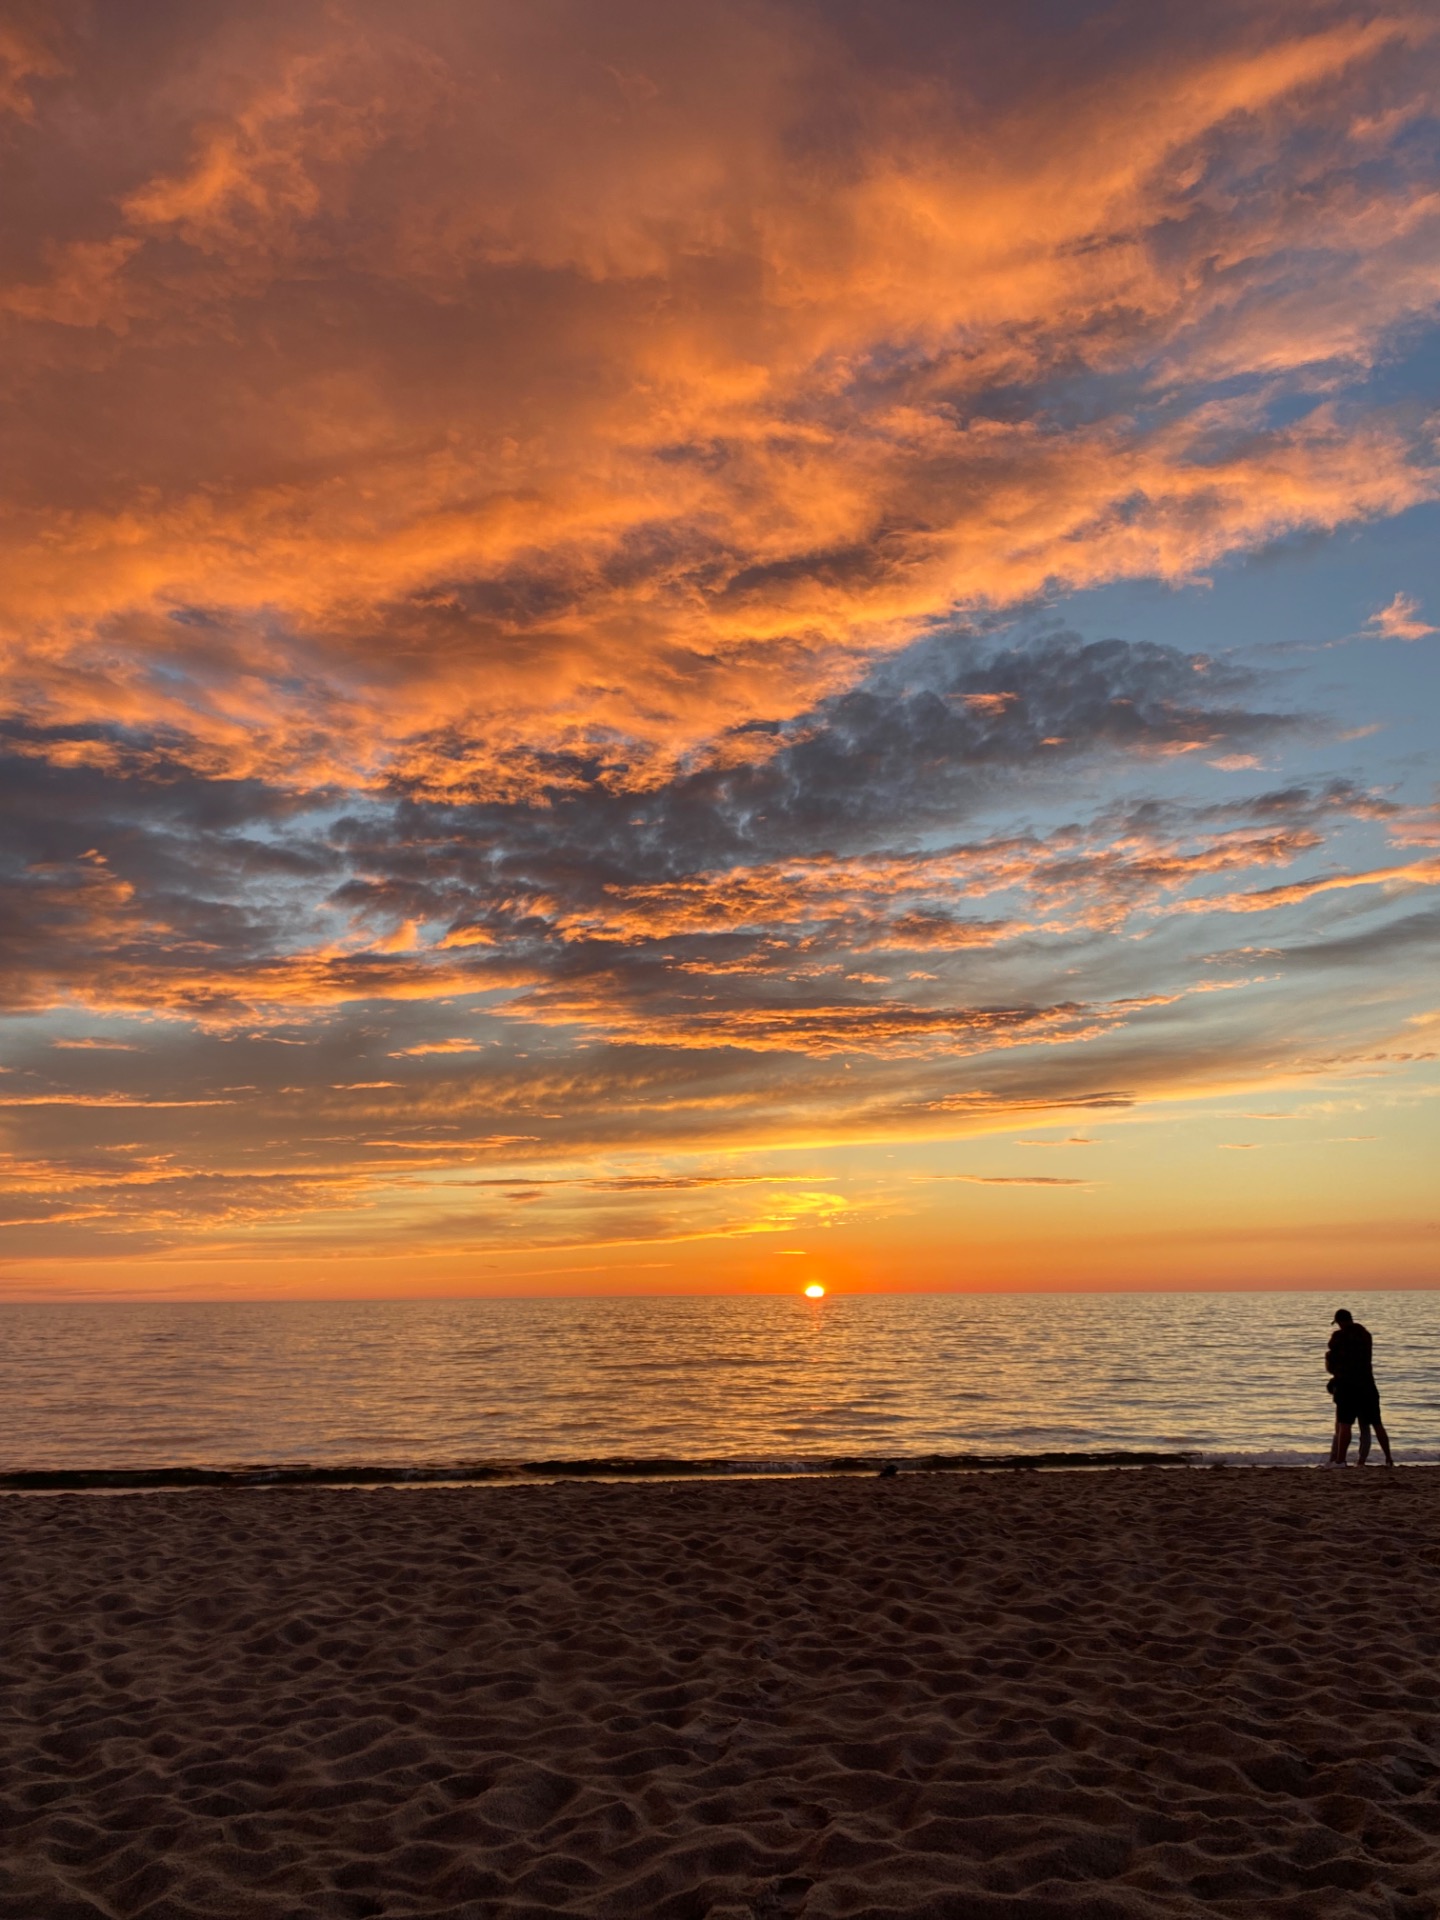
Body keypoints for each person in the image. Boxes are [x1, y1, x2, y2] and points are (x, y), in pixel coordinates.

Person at [1325, 1308, 1392, 1467]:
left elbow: (1332, 1362)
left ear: (1340, 1322)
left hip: (1346, 1386)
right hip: (1367, 1385)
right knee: (1377, 1424)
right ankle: (1389, 1459)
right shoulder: (1365, 1335)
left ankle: (1340, 1460)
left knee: (1344, 1424)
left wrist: (1331, 1364)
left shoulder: (1338, 1337)